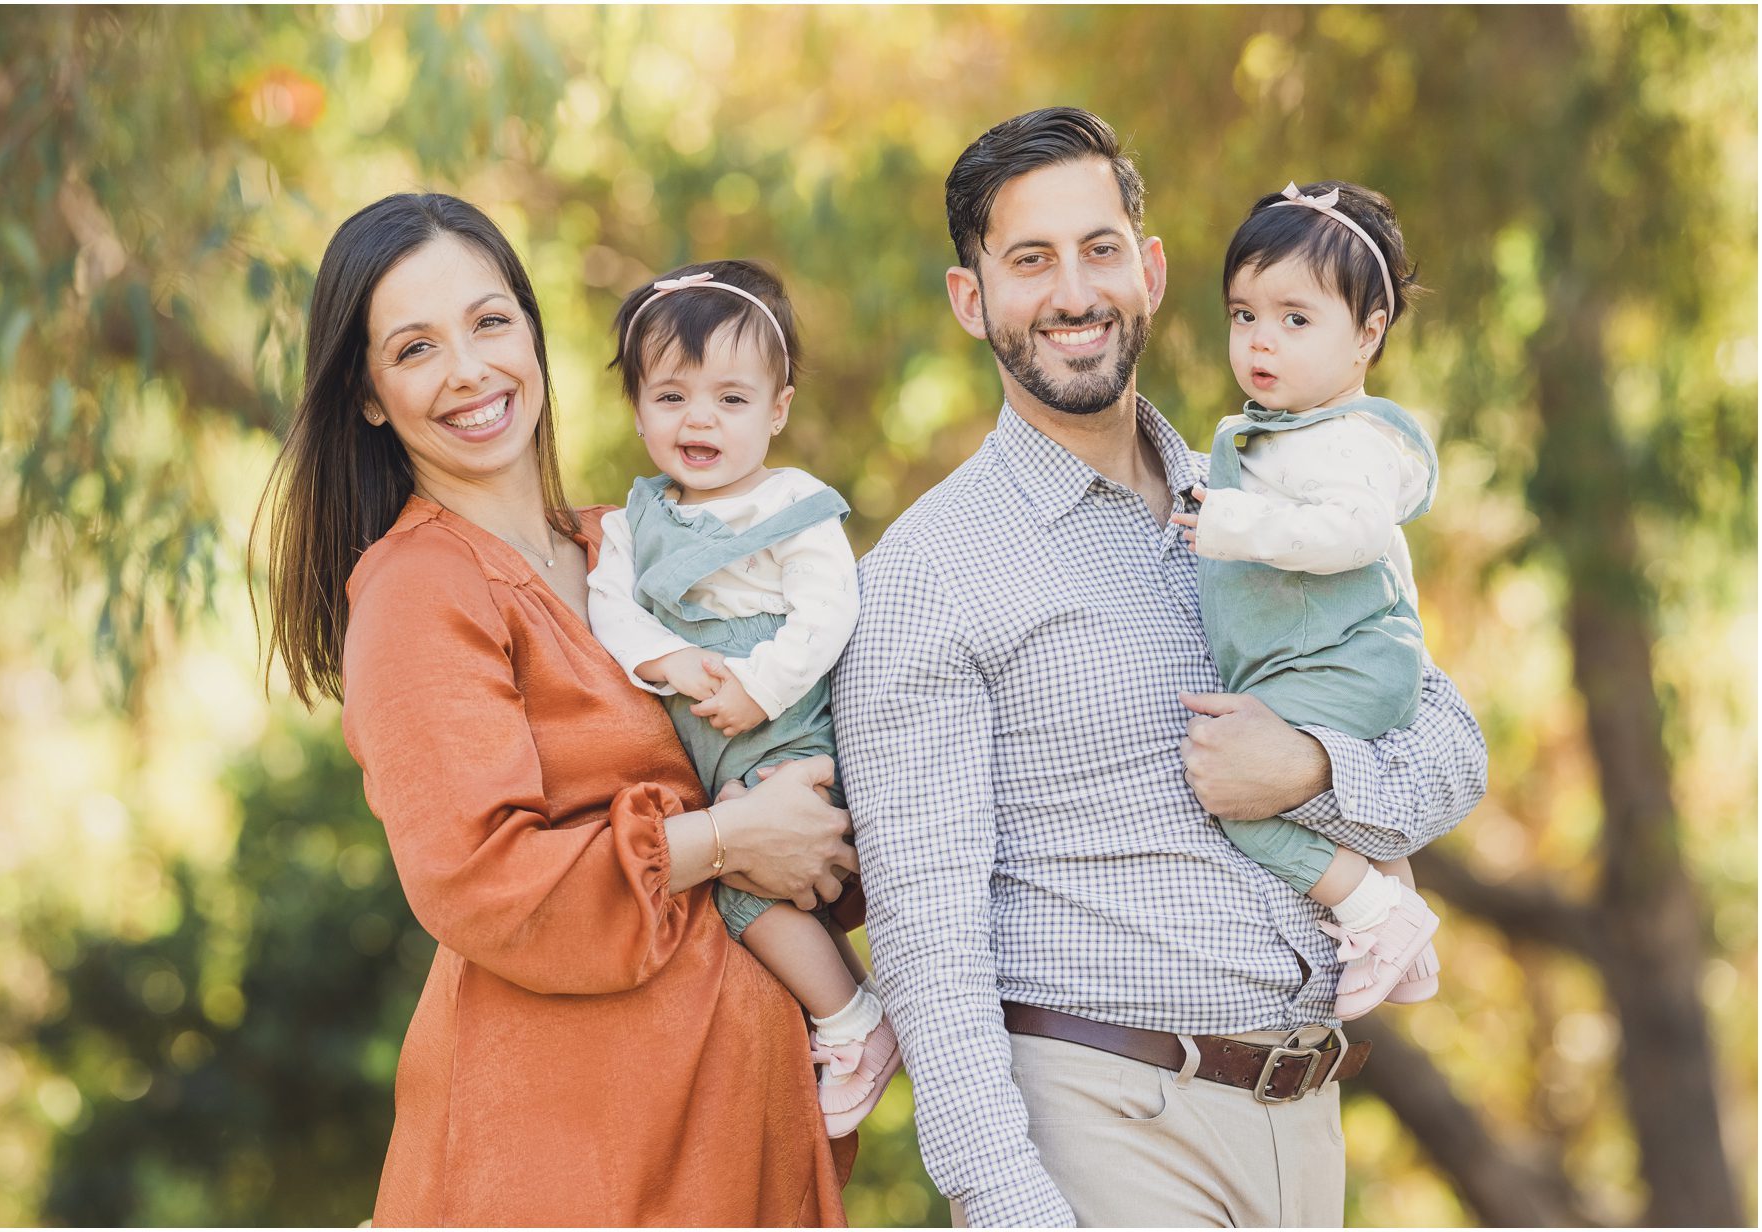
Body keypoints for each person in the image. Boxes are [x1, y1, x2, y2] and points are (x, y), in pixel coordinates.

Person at [832, 108, 1487, 1227]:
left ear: (1148, 270)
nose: (1071, 292)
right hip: (1102, 1127)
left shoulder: (1280, 499)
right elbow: (924, 936)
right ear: (969, 298)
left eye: (1096, 250)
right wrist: (1006, 1204)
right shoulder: (928, 575)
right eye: (1027, 261)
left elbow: (1450, 752)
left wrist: (1307, 770)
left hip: (1303, 1123)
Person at [255, 193, 860, 1226]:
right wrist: (727, 836)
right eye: (414, 348)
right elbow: (483, 880)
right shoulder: (419, 591)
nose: (470, 370)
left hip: (724, 1146)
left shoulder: (626, 546)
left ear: (533, 331)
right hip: (565, 1161)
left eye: (490, 322)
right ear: (366, 393)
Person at [586, 259, 901, 1137]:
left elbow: (829, 608)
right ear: (639, 407)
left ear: (778, 409)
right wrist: (669, 663)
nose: (700, 420)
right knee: (747, 876)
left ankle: (853, 1025)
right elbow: (609, 608)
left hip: (786, 728)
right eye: (672, 396)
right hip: (704, 729)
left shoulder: (791, 505)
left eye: (731, 398)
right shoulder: (630, 524)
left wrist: (758, 686)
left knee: (744, 891)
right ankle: (839, 1010)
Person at [1165, 180, 1444, 1020]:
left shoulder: (1351, 441)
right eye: (1243, 315)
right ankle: (1410, 939)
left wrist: (1239, 522)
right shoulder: (1287, 431)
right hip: (1326, 657)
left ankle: (1373, 913)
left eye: (1295, 320)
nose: (1261, 342)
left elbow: (1350, 532)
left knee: (1235, 791)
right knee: (1291, 780)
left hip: (1350, 661)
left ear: (1367, 335)